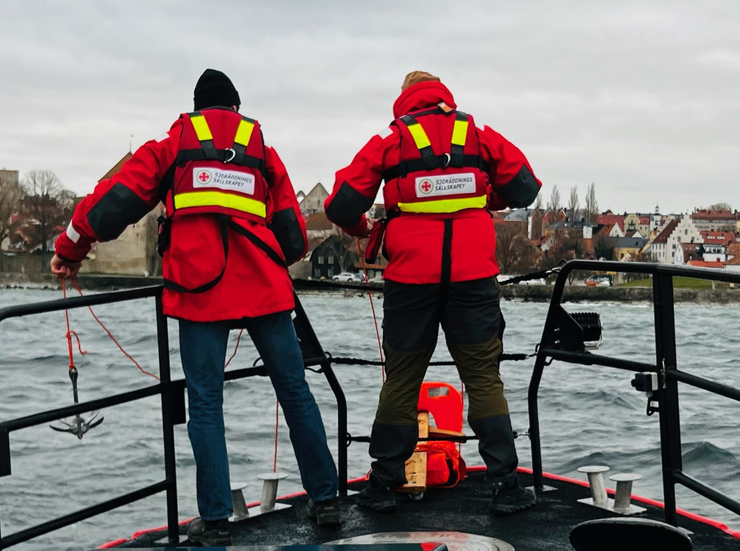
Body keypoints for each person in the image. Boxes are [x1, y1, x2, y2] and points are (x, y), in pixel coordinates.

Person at [51, 69, 340, 545]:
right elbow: (292, 234)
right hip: (265, 288)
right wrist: (264, 259)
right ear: (236, 108)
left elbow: (112, 204)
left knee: (206, 403)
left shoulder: (173, 144)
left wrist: (71, 249)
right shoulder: (262, 150)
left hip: (200, 288)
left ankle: (216, 520)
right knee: (294, 391)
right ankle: (326, 500)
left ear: (198, 107)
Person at [324, 71, 541, 515]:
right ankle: (505, 486)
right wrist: (486, 197)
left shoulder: (392, 139)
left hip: (411, 282)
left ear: (405, 100)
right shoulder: (476, 134)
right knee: (483, 377)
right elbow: (526, 187)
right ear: (443, 96)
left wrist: (362, 227)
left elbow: (342, 203)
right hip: (473, 278)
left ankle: (383, 485)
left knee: (402, 379)